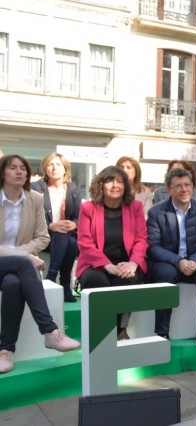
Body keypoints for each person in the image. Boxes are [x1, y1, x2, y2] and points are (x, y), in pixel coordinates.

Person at [0, 155, 80, 374]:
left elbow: (43, 238)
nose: (19, 172)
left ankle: (5, 351)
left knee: (13, 283)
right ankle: (50, 331)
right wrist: (24, 256)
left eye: (23, 168)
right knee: (23, 265)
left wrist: (20, 256)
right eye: (12, 168)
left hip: (15, 269)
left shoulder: (34, 198)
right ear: (2, 173)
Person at [146, 168, 196, 344]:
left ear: (193, 187)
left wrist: (194, 260)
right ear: (168, 189)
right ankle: (162, 332)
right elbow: (153, 247)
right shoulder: (156, 212)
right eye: (178, 186)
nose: (184, 189)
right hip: (168, 261)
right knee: (165, 275)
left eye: (187, 185)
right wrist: (178, 261)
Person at [76, 166, 148, 340]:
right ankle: (102, 332)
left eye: (120, 181)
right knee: (96, 281)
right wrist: (106, 265)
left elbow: (141, 239)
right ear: (100, 185)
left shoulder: (135, 207)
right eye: (109, 181)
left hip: (126, 264)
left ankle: (119, 330)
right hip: (96, 265)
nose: (115, 185)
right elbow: (84, 242)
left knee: (128, 281)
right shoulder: (88, 208)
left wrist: (134, 263)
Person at [31, 152, 81, 302]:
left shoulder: (73, 189)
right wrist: (51, 226)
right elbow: (31, 217)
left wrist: (74, 224)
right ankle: (64, 284)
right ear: (45, 168)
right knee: (63, 236)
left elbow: (79, 216)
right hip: (44, 236)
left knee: (68, 239)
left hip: (68, 237)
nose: (54, 168)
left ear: (65, 169)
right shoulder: (36, 187)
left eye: (58, 164)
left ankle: (53, 277)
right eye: (50, 164)